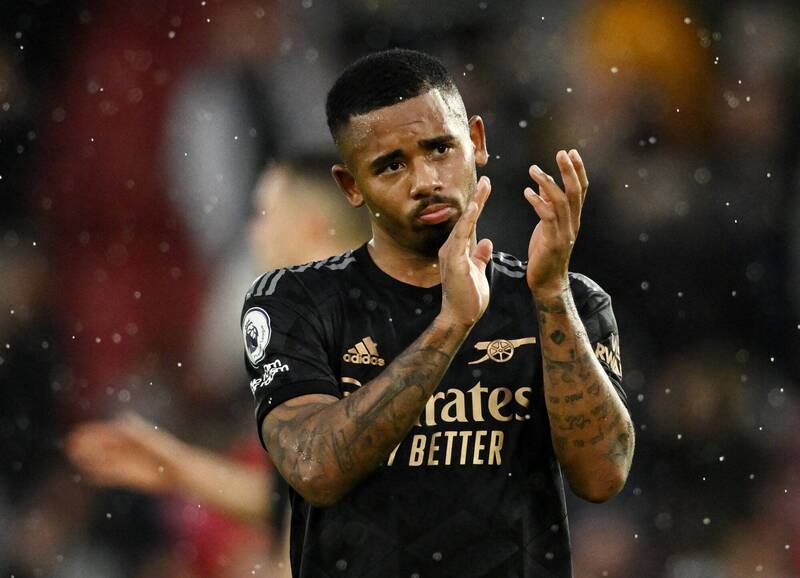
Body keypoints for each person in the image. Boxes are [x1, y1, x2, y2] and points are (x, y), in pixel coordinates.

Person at [241, 48, 635, 577]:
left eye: (440, 149)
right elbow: (314, 469)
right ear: (351, 186)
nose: (425, 180)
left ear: (476, 141)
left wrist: (550, 294)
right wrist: (451, 325)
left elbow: (603, 476)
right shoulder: (296, 301)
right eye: (391, 165)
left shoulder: (565, 299)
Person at [65, 157, 370, 576]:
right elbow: (300, 498)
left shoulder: (361, 344)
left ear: (311, 226)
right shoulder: (328, 333)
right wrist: (177, 467)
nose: (254, 232)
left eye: (264, 214)